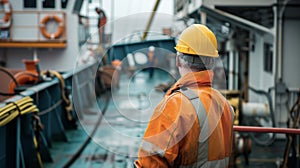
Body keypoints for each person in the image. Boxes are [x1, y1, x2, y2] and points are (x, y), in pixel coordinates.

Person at [134, 24, 235, 167]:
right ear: (211, 62)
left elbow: (150, 163)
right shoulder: (225, 105)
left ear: (178, 60)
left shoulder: (174, 107)